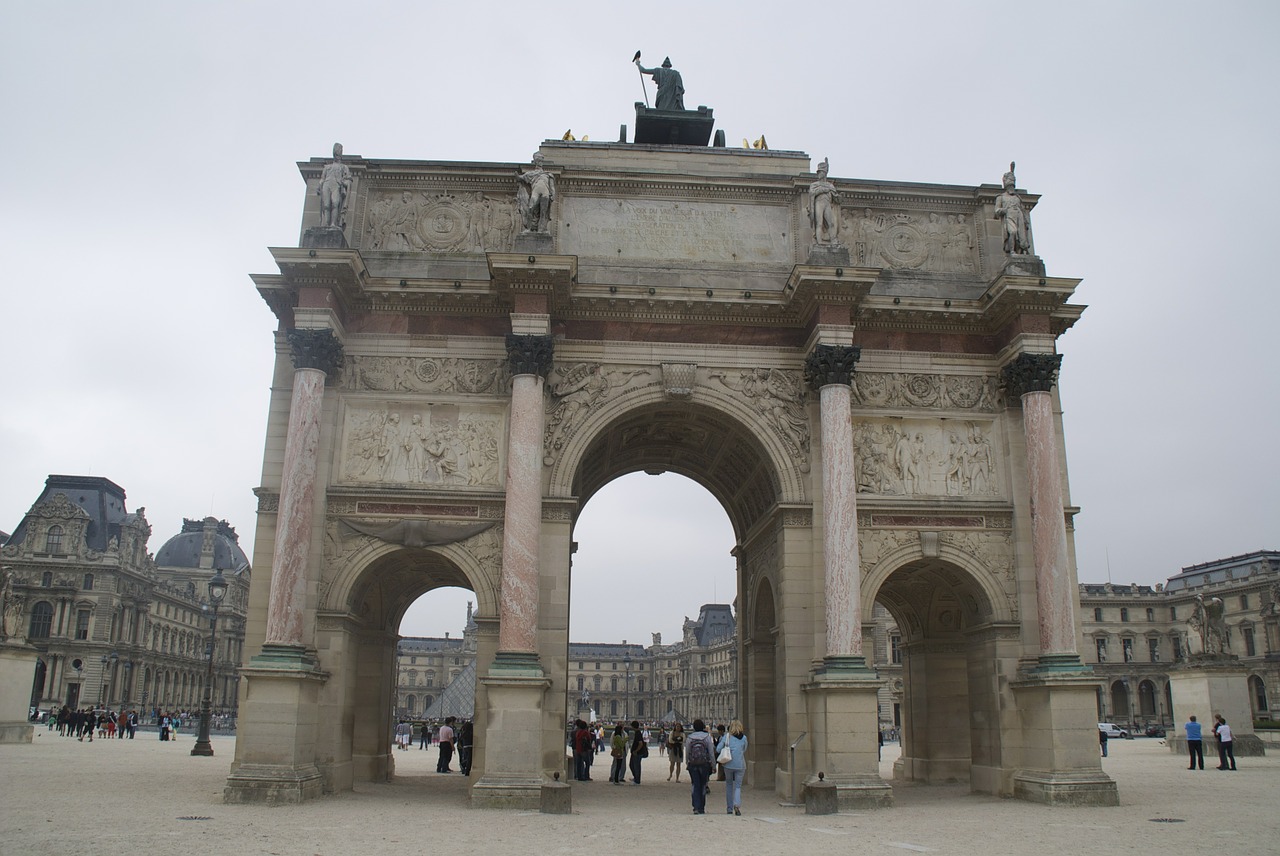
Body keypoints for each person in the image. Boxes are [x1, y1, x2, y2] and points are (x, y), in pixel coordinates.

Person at [716, 719, 748, 816]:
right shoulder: (744, 738)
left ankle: (729, 808)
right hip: (740, 764)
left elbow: (717, 749)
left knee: (729, 785)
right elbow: (744, 749)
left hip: (728, 763)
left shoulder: (727, 736)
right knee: (738, 786)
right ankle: (737, 805)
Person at [317, 142, 352, 229]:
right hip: (327, 184)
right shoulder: (327, 167)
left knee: (335, 203)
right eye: (337, 150)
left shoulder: (344, 167)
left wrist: (344, 183)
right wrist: (319, 185)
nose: (338, 152)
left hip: (337, 185)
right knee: (326, 205)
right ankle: (326, 223)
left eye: (340, 150)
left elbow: (348, 179)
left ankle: (333, 223)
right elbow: (322, 178)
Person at [807, 158, 841, 246]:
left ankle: (833, 240)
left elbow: (836, 199)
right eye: (818, 172)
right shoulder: (814, 184)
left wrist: (839, 197)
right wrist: (824, 189)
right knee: (819, 223)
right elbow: (812, 193)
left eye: (820, 172)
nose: (819, 174)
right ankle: (819, 241)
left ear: (824, 173)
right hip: (819, 203)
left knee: (831, 223)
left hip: (827, 204)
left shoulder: (830, 185)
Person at [685, 719, 715, 814]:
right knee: (703, 785)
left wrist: (687, 763)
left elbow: (687, 752)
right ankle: (701, 807)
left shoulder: (690, 737)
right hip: (704, 764)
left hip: (693, 764)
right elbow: (711, 752)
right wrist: (713, 765)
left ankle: (695, 807)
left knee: (695, 784)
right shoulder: (707, 737)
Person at [629, 719, 647, 784]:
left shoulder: (638, 733)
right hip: (636, 752)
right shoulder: (637, 732)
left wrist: (636, 751)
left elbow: (640, 743)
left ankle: (637, 780)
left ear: (633, 726)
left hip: (637, 753)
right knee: (632, 765)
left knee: (636, 766)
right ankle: (636, 777)